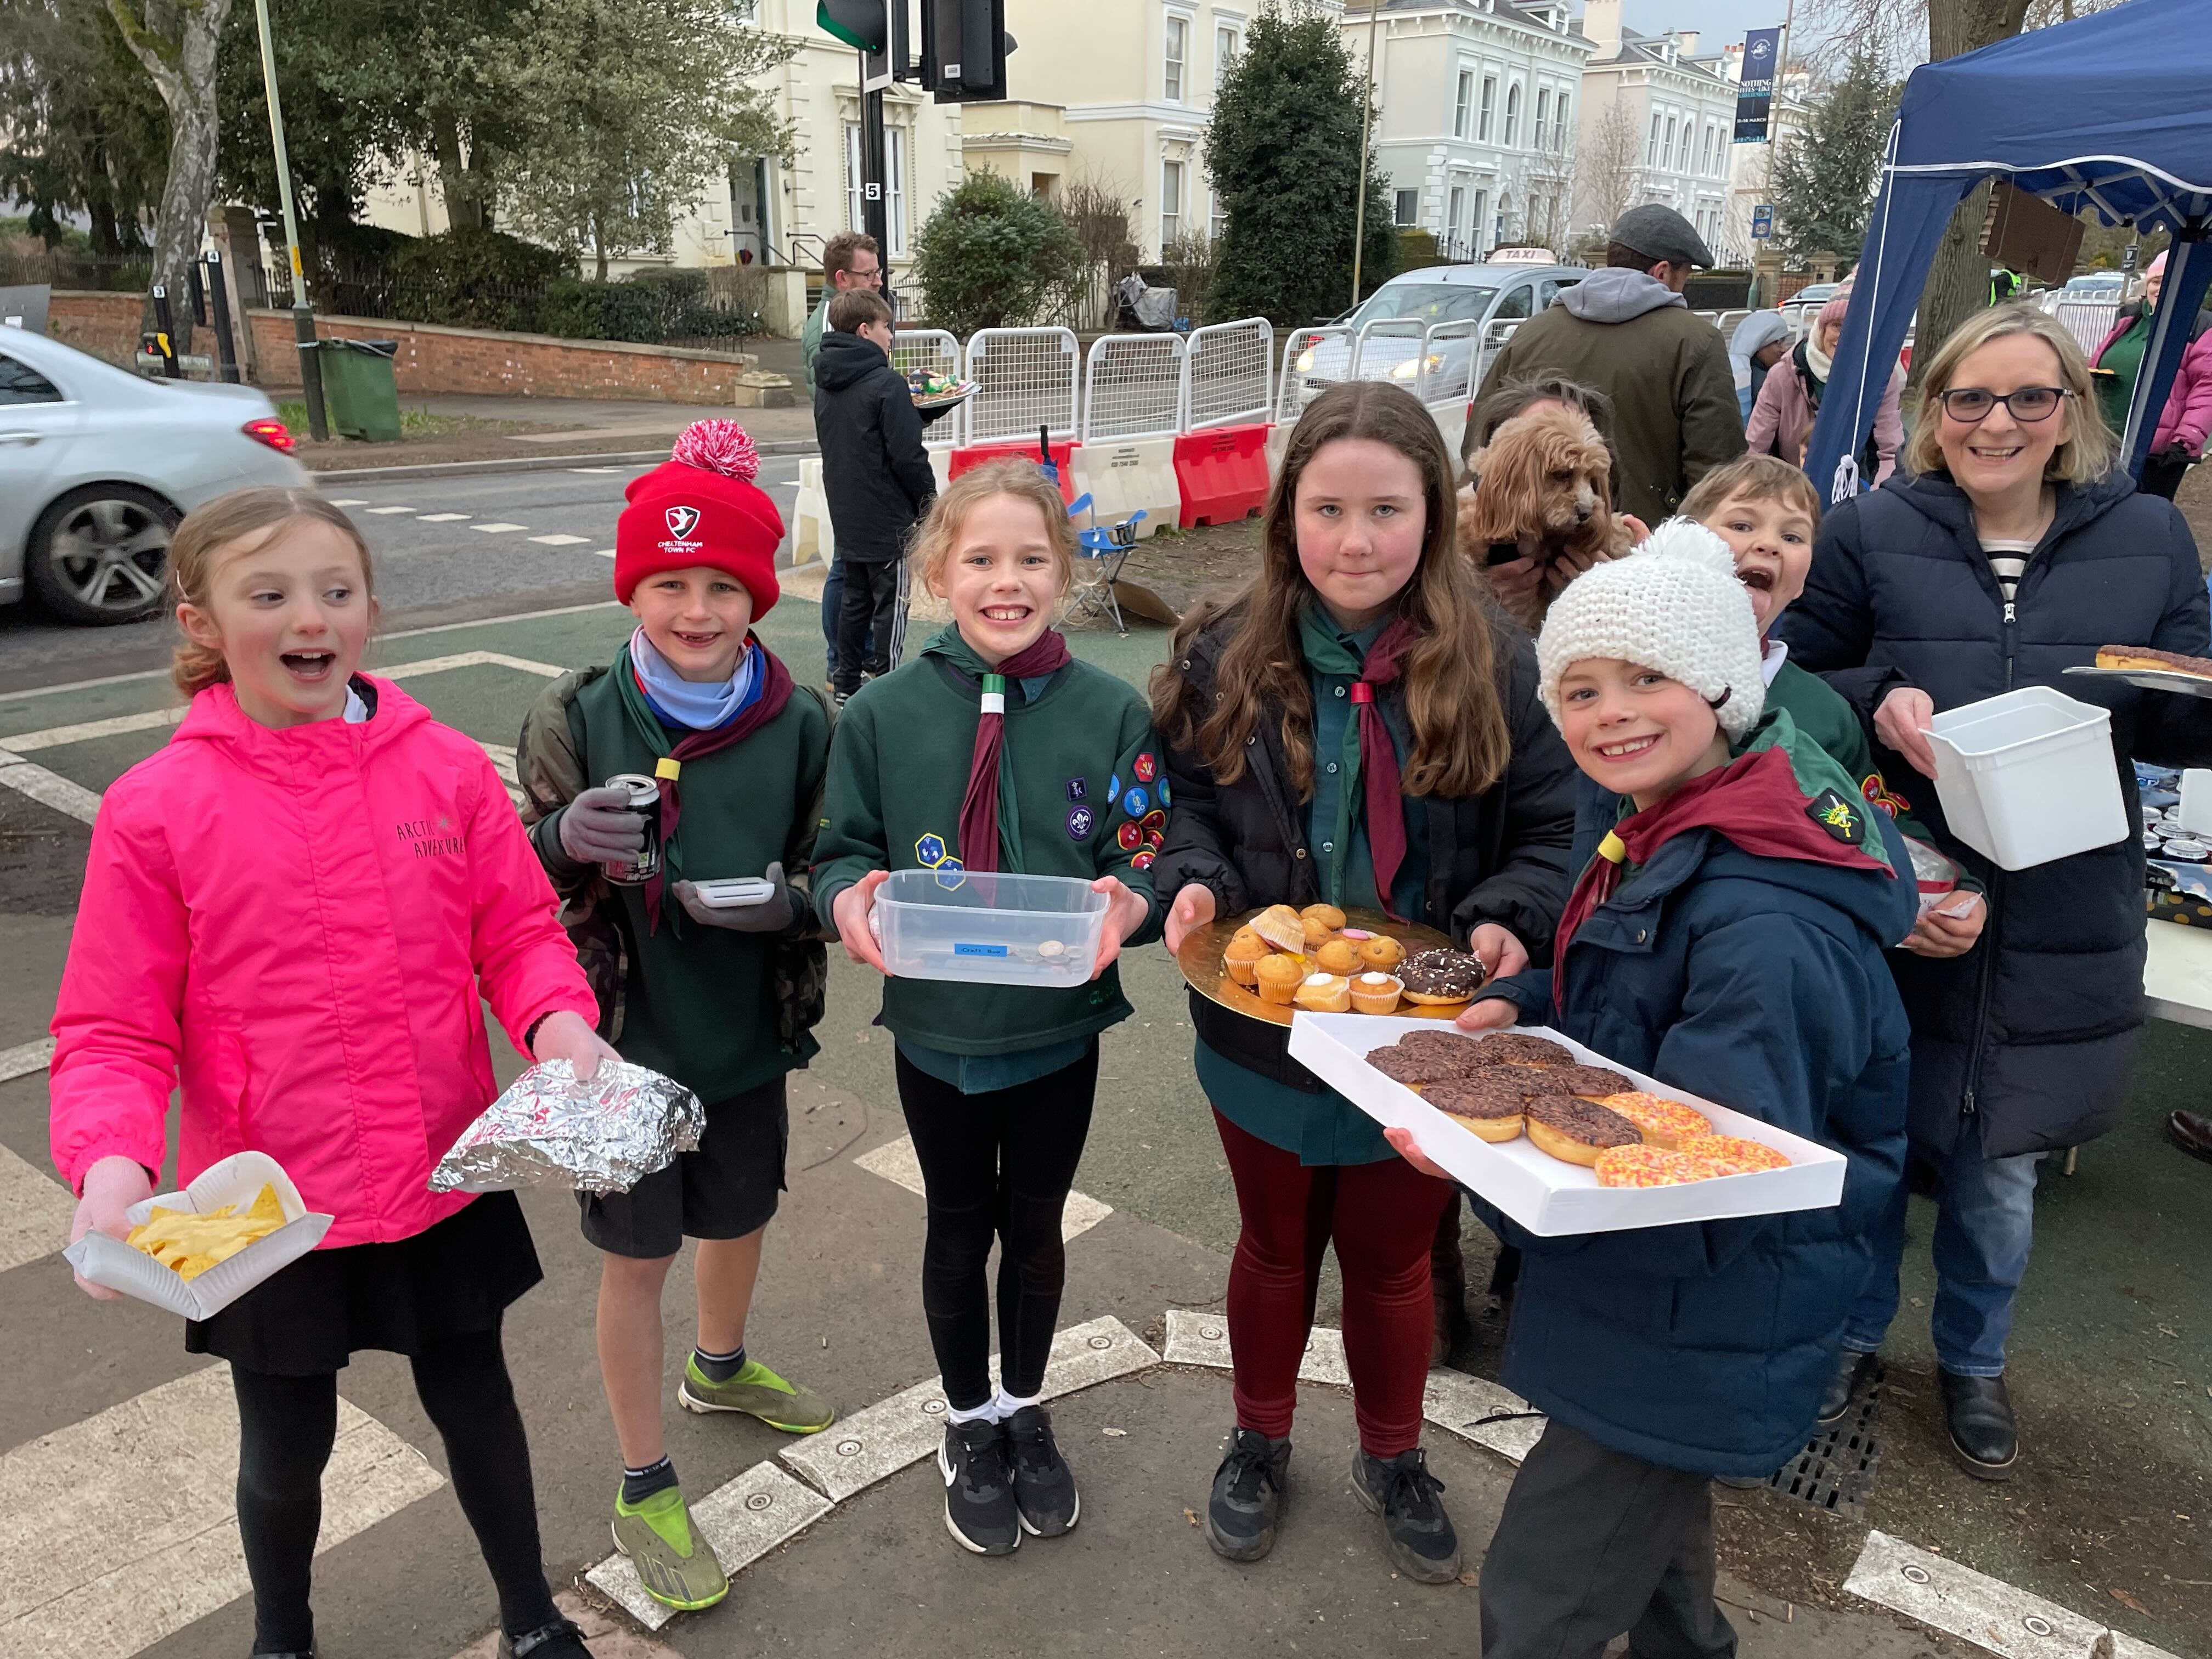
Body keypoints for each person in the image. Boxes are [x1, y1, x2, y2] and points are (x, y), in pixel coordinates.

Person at [52, 488, 614, 1659]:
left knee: (478, 1407)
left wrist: (561, 1026)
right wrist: (109, 1164)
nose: (311, 617)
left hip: (437, 1171)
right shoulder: (158, 808)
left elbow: (514, 935)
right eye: (270, 595)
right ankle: (283, 1639)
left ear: (366, 609)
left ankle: (531, 1615)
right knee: (284, 1447)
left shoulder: (445, 773)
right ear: (202, 619)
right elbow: (113, 1024)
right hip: (265, 1203)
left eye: (337, 590)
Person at [1389, 524, 1916, 1659]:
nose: (1608, 712)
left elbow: (1697, 1167)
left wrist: (1482, 1157)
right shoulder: (1669, 831)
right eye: (1578, 689)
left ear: (1723, 682)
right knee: (1659, 1558)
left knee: (1544, 1597)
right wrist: (1520, 1022)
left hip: (1700, 1299)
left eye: (1646, 678)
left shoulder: (1764, 916)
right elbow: (1631, 1038)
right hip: (1660, 1303)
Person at [1151, 380, 1577, 1584]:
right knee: (1274, 1249)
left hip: (1422, 1034)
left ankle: (1394, 1454)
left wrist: (1504, 918)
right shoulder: (1221, 650)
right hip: (1261, 1030)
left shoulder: (1496, 659)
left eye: (1385, 510)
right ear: (1289, 514)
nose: (1354, 540)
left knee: (1395, 1262)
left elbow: (1553, 829)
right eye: (1327, 509)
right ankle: (1258, 1438)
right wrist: (1186, 874)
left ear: (1434, 516)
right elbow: (1177, 803)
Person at [1779, 303, 2212, 1479]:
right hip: (1902, 888)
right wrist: (1880, 696)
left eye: (2030, 397)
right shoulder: (1872, 530)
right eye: (1970, 398)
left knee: (2003, 1173)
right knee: (1871, 1146)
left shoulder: (2150, 540)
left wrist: (2175, 698)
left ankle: (1974, 1362)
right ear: (1935, 414)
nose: (1998, 422)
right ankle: (1853, 1338)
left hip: (2066, 900)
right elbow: (1799, 673)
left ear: (2074, 408)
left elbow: (2182, 703)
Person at [515, 419, 837, 1613]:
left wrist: (789, 905)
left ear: (756, 594)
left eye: (722, 586)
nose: (696, 610)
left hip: (748, 1033)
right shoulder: (578, 711)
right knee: (638, 1257)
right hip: (617, 1049)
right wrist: (559, 840)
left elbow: (834, 862)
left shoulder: (807, 724)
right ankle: (645, 1479)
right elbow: (513, 887)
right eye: (668, 583)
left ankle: (721, 1367)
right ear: (633, 588)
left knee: (742, 1212)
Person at [814, 459, 1162, 1557]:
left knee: (1038, 1226)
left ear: (1063, 569)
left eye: (1029, 559)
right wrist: (849, 902)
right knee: (957, 1226)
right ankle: (966, 1419)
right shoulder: (877, 716)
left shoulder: (1112, 711)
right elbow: (843, 852)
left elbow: (1142, 843)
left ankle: (1023, 1403)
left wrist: (1133, 896)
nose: (1005, 582)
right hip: (939, 1030)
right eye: (980, 559)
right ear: (935, 572)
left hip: (1060, 1029)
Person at [1474, 204, 1745, 525]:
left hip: (1530, 545)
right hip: (1641, 543)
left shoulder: (1533, 330)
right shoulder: (1698, 341)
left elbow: (1481, 439)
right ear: (1661, 272)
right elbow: (1715, 469)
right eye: (1684, 276)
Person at [815, 288, 936, 704]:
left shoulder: (827, 383)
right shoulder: (886, 382)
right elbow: (907, 455)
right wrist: (929, 504)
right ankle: (889, 689)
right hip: (889, 518)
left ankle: (846, 682)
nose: (890, 336)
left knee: (855, 602)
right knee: (892, 605)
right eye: (886, 327)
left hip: (848, 512)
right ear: (866, 330)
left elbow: (856, 439)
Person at [802, 232, 885, 684]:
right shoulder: (828, 329)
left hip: (857, 454)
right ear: (842, 277)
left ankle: (855, 655)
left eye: (878, 272)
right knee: (847, 566)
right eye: (869, 273)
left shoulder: (846, 317)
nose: (877, 281)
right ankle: (843, 658)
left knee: (852, 564)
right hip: (851, 459)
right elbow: (836, 399)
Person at [2090, 249, 2212, 500]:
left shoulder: (2200, 325)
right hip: (2106, 440)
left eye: (2170, 280)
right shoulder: (2129, 320)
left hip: (2159, 453)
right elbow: (2098, 361)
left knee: (2143, 519)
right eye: (2156, 281)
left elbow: (2207, 387)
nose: (2161, 287)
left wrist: (2185, 441)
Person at [1748, 292, 1904, 486]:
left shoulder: (1880, 378)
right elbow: (1756, 449)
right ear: (1822, 329)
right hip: (1791, 480)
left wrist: (1878, 497)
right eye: (1837, 326)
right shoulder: (1783, 375)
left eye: (1856, 326)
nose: (1846, 336)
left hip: (1852, 480)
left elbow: (1891, 451)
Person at [1729, 310, 1791, 423]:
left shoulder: (1725, 370)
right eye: (1778, 342)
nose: (1784, 349)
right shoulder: (1767, 383)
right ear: (1758, 342)